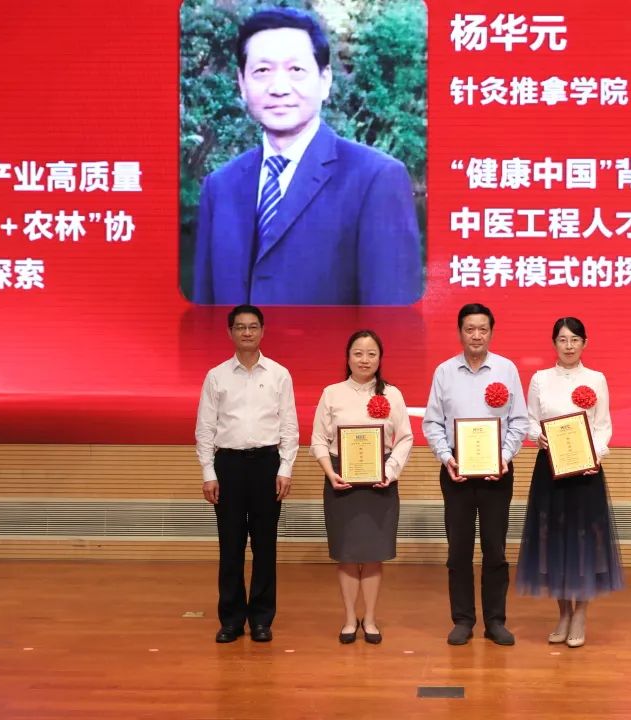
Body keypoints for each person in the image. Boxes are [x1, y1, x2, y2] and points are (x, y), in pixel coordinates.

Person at [191, 7, 422, 306]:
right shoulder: (219, 186)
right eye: (262, 71)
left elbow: (392, 318)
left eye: (296, 70)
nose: (278, 88)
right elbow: (204, 312)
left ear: (325, 80)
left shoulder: (375, 179)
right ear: (242, 83)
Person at [422, 303, 527, 646]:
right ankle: (463, 619)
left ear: (491, 332)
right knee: (459, 550)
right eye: (470, 329)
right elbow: (432, 423)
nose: (476, 335)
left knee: (495, 549)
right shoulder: (444, 372)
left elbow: (519, 421)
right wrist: (446, 457)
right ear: (460, 333)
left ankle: (495, 621)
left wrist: (504, 457)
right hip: (457, 472)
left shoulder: (507, 369)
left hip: (498, 473)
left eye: (483, 329)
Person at [515, 317, 624, 648]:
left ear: (584, 343)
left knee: (585, 540)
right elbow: (530, 420)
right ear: (554, 344)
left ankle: (581, 614)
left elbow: (603, 425)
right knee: (553, 539)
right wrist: (537, 436)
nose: (569, 345)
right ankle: (563, 612)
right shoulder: (540, 379)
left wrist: (596, 455)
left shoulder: (596, 379)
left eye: (575, 339)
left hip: (586, 471)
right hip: (550, 468)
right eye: (563, 339)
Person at [194, 304, 299, 643]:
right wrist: (208, 472)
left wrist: (285, 468)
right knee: (231, 545)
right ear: (230, 332)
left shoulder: (279, 374)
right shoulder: (217, 376)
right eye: (240, 327)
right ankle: (231, 619)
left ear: (263, 331)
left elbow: (289, 426)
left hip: (267, 464)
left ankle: (262, 619)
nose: (247, 332)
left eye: (253, 326)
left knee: (265, 546)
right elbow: (205, 428)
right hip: (229, 466)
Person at [310, 330, 413, 644]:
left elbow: (405, 438)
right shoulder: (332, 393)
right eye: (358, 353)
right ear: (348, 357)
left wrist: (390, 472)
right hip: (341, 480)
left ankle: (369, 618)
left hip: (380, 481)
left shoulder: (392, 394)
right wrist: (330, 473)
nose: (364, 360)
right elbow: (318, 439)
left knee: (372, 554)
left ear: (380, 358)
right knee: (346, 553)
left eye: (371, 354)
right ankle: (348, 619)